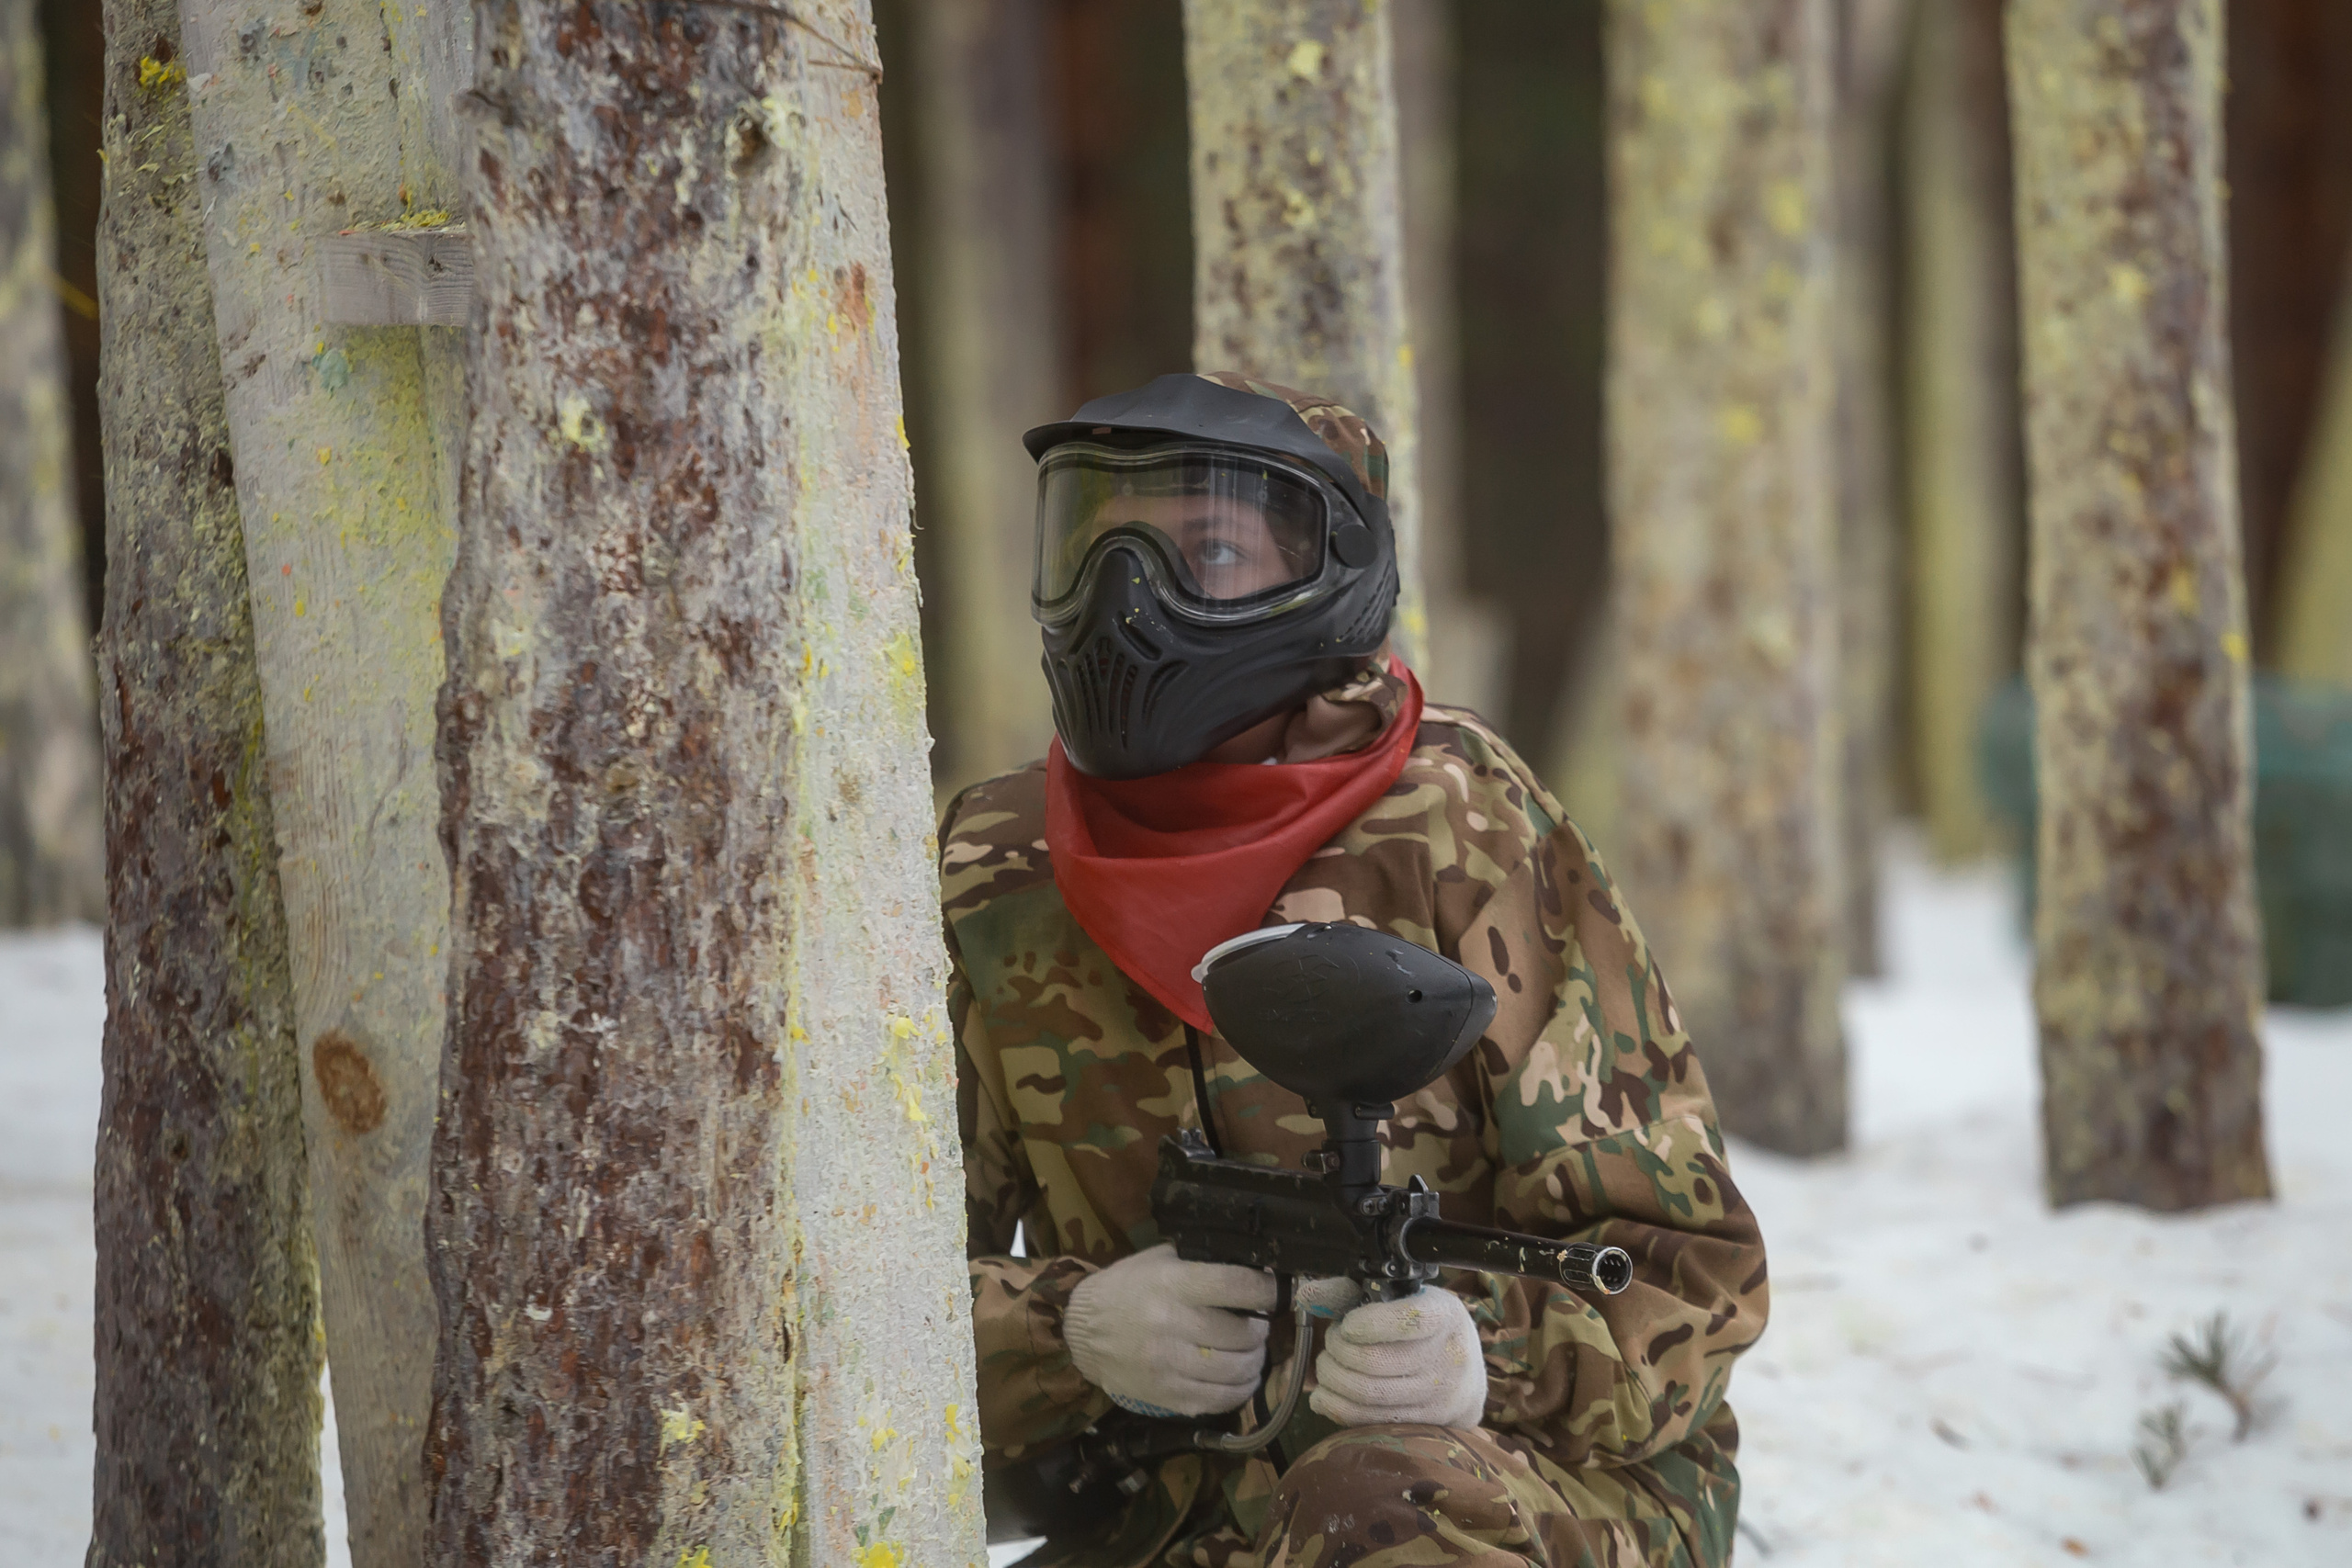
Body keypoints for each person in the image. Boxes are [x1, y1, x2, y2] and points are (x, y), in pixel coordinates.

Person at [943, 372, 1767, 1567]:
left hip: (1528, 1490)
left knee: (1374, 1507)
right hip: (1170, 1509)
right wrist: (1067, 1330)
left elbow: (1699, 1280)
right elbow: (865, 1301)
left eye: (1209, 551)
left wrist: (1487, 1355)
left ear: (1331, 568)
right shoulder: (997, 865)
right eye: (1098, 545)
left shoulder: (1460, 824)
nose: (1130, 601)